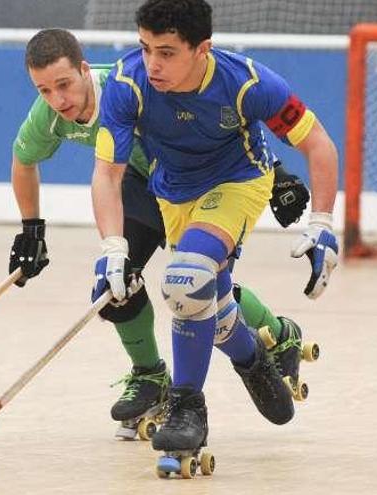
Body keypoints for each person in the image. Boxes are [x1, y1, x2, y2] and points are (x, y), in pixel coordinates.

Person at [8, 28, 313, 439]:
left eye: (64, 85)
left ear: (84, 70)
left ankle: (278, 335)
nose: (58, 101)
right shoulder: (48, 115)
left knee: (196, 286)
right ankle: (151, 377)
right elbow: (23, 160)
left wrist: (276, 173)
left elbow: (215, 122)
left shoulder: (127, 85)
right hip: (137, 184)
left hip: (193, 181)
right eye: (44, 90)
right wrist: (32, 228)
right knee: (114, 288)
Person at [90, 0, 339, 461]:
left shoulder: (248, 83)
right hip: (173, 193)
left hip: (238, 181)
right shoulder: (127, 85)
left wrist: (322, 224)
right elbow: (108, 173)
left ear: (202, 49)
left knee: (184, 281)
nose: (152, 63)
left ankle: (187, 410)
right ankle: (252, 359)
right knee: (212, 306)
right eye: (145, 48)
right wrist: (113, 246)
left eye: (166, 52)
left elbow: (318, 142)